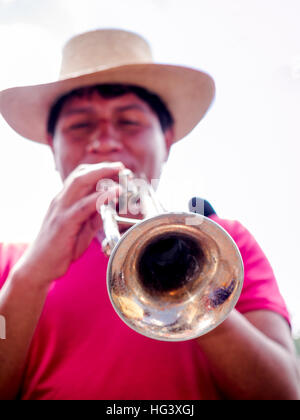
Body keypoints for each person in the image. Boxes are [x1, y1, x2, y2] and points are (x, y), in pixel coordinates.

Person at [0, 29, 299, 401]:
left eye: (129, 122)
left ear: (167, 140)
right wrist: (28, 279)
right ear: (52, 146)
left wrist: (191, 284)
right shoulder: (10, 264)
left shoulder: (225, 244)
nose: (105, 141)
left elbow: (283, 391)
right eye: (80, 125)